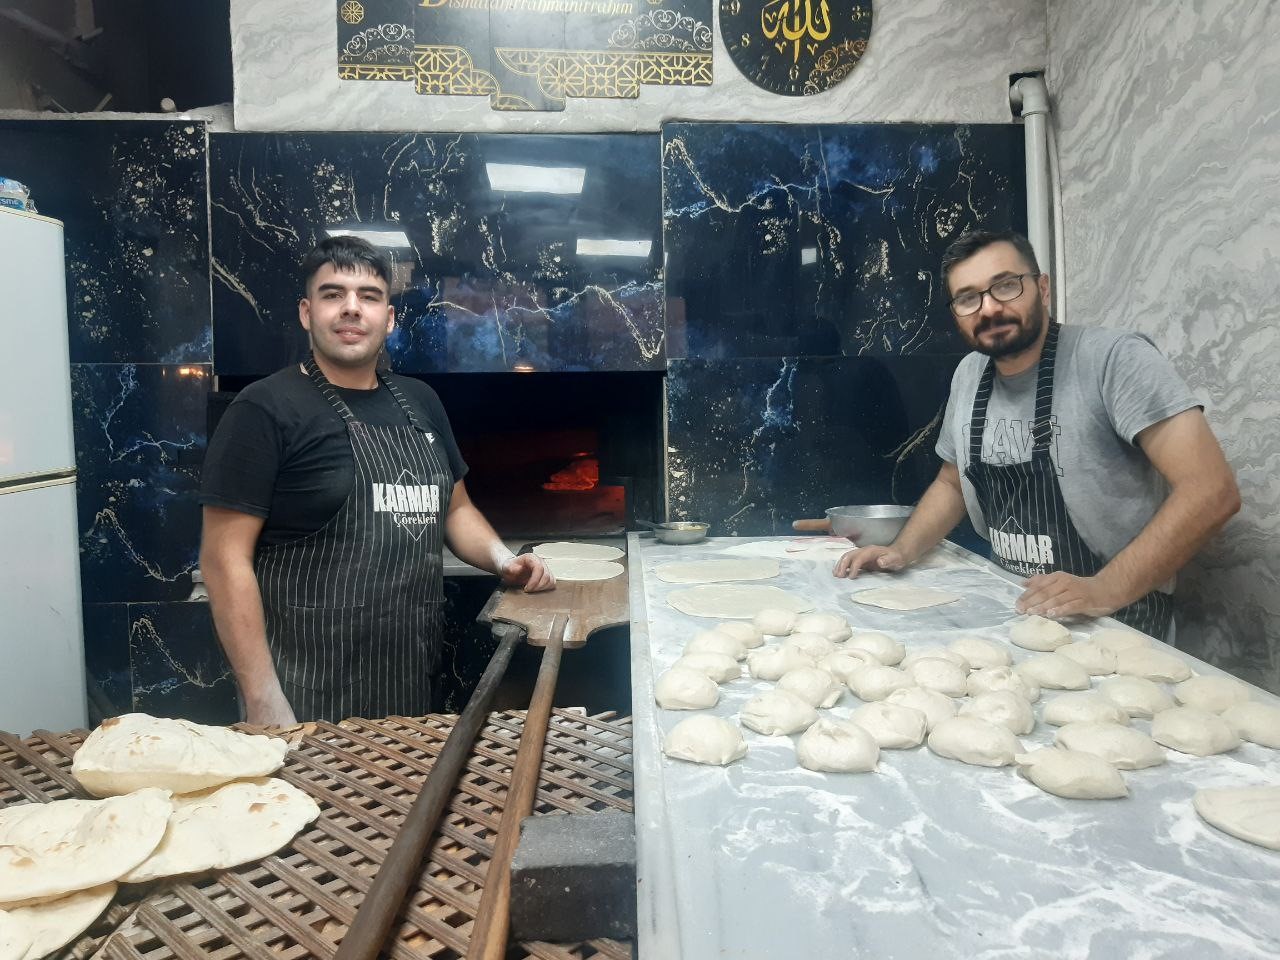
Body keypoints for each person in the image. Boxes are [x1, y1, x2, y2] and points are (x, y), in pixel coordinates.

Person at [200, 236, 554, 725]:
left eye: (368, 296)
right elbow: (222, 558)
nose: (351, 308)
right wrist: (261, 695)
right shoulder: (264, 409)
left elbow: (455, 509)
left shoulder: (420, 401)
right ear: (307, 313)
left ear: (388, 319)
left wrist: (503, 560)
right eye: (332, 294)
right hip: (303, 690)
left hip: (407, 676)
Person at [834, 229, 1239, 638]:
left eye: (1006, 286)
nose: (989, 308)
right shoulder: (970, 375)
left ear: (1042, 288)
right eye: (968, 297)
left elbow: (1210, 490)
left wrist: (1105, 588)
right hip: (1012, 608)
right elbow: (953, 483)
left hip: (1117, 622)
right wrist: (901, 551)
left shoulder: (1113, 360)